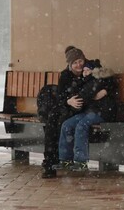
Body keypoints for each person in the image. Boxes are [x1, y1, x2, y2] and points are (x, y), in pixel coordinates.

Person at [53, 59, 117, 171]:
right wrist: (69, 101)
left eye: (88, 70)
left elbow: (84, 96)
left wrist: (72, 101)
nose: (85, 72)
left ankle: (81, 161)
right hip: (89, 112)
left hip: (102, 113)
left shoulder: (96, 80)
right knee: (67, 125)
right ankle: (65, 160)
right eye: (84, 70)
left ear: (94, 71)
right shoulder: (85, 81)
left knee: (81, 125)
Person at [41, 45, 87, 178]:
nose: (78, 65)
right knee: (52, 122)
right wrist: (68, 101)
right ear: (69, 65)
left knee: (60, 122)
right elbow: (61, 96)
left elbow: (90, 90)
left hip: (81, 109)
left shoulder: (89, 70)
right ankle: (49, 163)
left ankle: (57, 160)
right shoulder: (65, 75)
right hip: (67, 106)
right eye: (75, 63)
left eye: (80, 61)